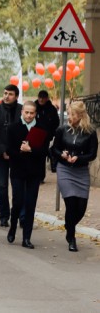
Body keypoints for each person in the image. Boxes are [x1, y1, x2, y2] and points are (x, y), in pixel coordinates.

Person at [50, 101, 98, 252]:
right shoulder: (62, 130)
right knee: (71, 204)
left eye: (72, 114)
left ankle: (69, 224)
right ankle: (71, 237)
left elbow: (92, 154)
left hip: (81, 171)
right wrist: (62, 155)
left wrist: (79, 158)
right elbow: (54, 149)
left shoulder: (90, 132)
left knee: (81, 208)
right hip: (65, 170)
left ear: (80, 115)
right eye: (69, 113)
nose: (69, 116)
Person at [5, 101, 48, 249]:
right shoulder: (13, 128)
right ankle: (13, 227)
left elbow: (45, 151)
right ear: (22, 112)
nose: (29, 115)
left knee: (30, 203)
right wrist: (21, 151)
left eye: (32, 113)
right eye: (26, 112)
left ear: (35, 113)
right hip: (17, 170)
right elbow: (9, 150)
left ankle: (26, 238)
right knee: (18, 201)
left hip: (34, 172)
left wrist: (31, 150)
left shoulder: (41, 129)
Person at [0, 84, 22, 227]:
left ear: (16, 96)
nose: (7, 96)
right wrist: (3, 150)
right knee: (1, 186)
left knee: (18, 187)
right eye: (5, 93)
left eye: (10, 94)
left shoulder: (21, 110)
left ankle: (20, 216)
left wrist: (15, 150)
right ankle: (4, 215)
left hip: (18, 154)